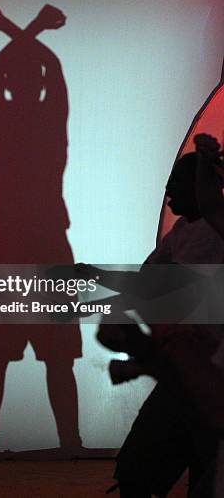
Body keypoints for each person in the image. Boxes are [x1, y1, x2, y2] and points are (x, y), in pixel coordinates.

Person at [77, 134, 224, 497]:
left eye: (176, 183)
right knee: (142, 468)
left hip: (206, 377)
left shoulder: (212, 235)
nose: (168, 192)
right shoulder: (182, 232)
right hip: (186, 375)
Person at [0, 3, 83, 458]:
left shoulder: (0, 127)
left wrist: (6, 27)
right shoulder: (48, 125)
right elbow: (53, 72)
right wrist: (32, 28)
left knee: (0, 359)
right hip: (42, 241)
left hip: (7, 243)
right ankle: (69, 443)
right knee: (52, 358)